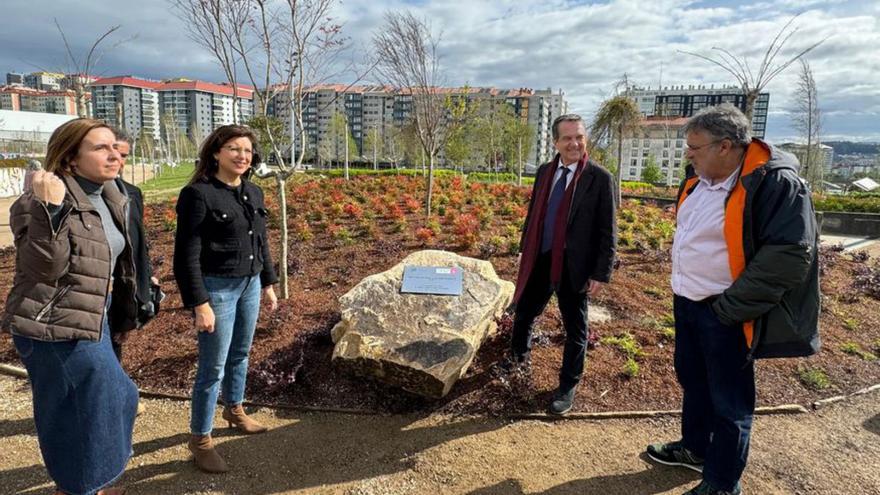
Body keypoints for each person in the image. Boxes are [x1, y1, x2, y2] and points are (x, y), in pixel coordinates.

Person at [646, 104, 820, 495]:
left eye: (695, 147)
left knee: (730, 400)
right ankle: (695, 448)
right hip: (689, 303)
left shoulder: (775, 184)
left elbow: (789, 254)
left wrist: (728, 309)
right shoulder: (698, 180)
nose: (688, 154)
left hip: (727, 310)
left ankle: (723, 482)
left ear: (726, 146)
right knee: (694, 381)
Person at [2, 118, 139, 495]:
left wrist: (127, 306)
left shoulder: (110, 195)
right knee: (79, 410)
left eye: (115, 146)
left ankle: (90, 480)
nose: (115, 154)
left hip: (93, 313)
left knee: (116, 396)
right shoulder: (37, 202)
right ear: (71, 158)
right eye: (101, 148)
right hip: (51, 324)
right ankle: (79, 486)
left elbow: (115, 259)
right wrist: (50, 210)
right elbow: (46, 267)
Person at [173, 124, 279, 473]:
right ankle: (200, 439)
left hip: (248, 285)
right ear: (216, 153)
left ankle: (234, 410)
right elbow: (186, 253)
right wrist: (199, 303)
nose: (241, 156)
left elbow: (260, 242)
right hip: (216, 288)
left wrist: (268, 283)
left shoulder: (254, 192)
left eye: (247, 151)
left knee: (241, 353)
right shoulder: (199, 194)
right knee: (212, 367)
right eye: (233, 148)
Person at [507, 113, 617, 415]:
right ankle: (518, 362)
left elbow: (608, 229)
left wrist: (601, 272)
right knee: (525, 314)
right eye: (567, 138)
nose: (574, 143)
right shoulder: (545, 172)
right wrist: (523, 249)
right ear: (555, 142)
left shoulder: (599, 178)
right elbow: (534, 216)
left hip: (575, 265)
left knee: (576, 329)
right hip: (541, 258)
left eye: (579, 136)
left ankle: (568, 386)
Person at [109, 127, 162, 415]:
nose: (117, 158)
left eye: (124, 155)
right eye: (111, 150)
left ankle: (116, 397)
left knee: (117, 339)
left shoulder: (132, 193)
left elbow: (139, 240)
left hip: (123, 283)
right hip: (90, 287)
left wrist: (146, 274)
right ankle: (118, 396)